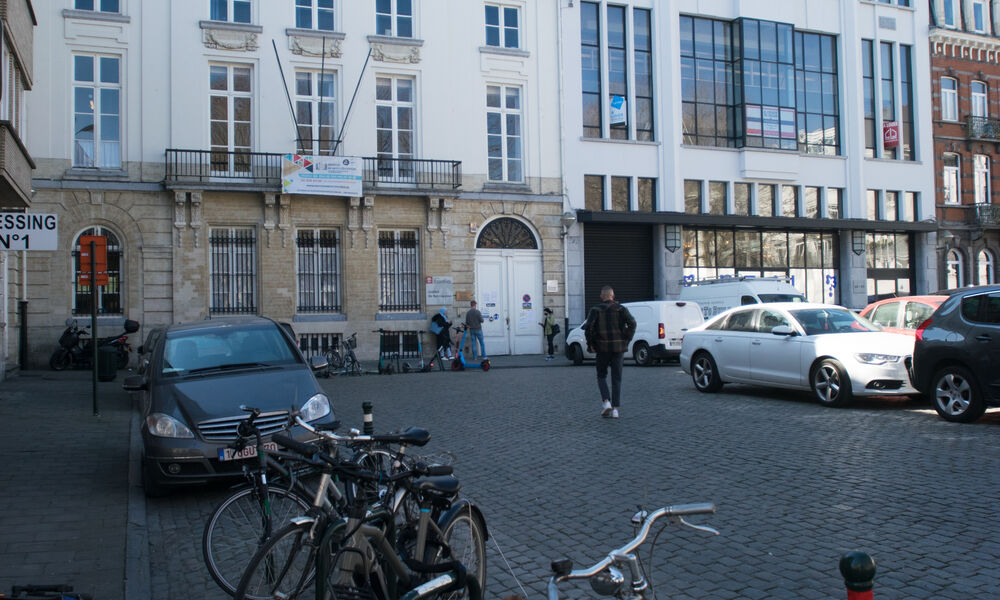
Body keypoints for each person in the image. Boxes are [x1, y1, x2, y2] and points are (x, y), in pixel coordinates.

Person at [584, 286, 636, 419]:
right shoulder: (621, 309)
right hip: (618, 348)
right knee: (616, 378)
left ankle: (606, 401)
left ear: (602, 297)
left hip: (602, 348)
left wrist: (591, 344)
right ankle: (615, 410)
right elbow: (632, 323)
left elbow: (588, 328)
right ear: (613, 296)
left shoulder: (595, 310)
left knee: (601, 375)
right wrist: (626, 338)